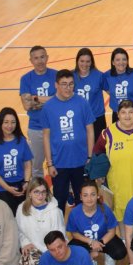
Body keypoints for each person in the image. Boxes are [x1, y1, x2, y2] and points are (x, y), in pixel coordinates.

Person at [41, 69, 95, 209]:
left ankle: (82, 229)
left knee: (82, 200)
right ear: (56, 85)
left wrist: (89, 157)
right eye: (64, 84)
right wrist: (50, 163)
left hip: (80, 161)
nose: (68, 87)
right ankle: (59, 230)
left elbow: (90, 131)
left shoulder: (82, 103)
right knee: (59, 201)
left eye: (71, 84)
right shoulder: (48, 107)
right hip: (59, 164)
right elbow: (46, 136)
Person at [104, 100, 133, 221]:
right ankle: (125, 240)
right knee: (122, 219)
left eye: (131, 112)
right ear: (118, 115)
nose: (127, 116)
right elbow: (97, 154)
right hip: (119, 187)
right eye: (123, 112)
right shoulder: (108, 133)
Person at [67, 180, 129, 265]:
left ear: (98, 195)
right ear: (80, 197)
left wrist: (99, 244)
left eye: (93, 194)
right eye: (85, 195)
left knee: (120, 252)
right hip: (86, 241)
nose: (89, 199)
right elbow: (74, 234)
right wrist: (91, 242)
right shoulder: (74, 213)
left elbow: (112, 231)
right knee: (69, 252)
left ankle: (108, 254)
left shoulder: (105, 209)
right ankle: (88, 256)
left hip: (104, 240)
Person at [0, 107, 33, 213]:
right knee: (8, 217)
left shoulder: (21, 141)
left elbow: (28, 164)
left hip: (21, 186)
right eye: (6, 122)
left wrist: (26, 182)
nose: (10, 126)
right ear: (0, 123)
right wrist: (8, 188)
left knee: (23, 217)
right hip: (1, 187)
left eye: (13, 122)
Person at [16, 177, 64, 265]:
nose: (40, 195)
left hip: (52, 248)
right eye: (36, 192)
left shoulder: (55, 211)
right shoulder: (21, 208)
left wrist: (51, 252)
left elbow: (60, 235)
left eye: (43, 192)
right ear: (29, 193)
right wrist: (25, 243)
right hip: (34, 249)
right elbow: (19, 230)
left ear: (47, 194)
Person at [19, 45, 58, 161]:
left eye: (42, 57)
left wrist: (35, 98)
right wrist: (51, 99)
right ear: (31, 61)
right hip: (35, 128)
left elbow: (61, 99)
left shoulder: (56, 75)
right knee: (36, 166)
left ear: (47, 57)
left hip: (55, 126)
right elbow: (26, 105)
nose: (40, 61)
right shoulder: (26, 79)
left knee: (57, 162)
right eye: (36, 58)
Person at [74, 48, 108, 137]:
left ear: (91, 62)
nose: (84, 64)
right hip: (78, 118)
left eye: (88, 61)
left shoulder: (99, 75)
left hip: (97, 118)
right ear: (77, 61)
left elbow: (111, 92)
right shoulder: (71, 76)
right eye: (82, 61)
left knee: (99, 149)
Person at [102, 48, 133, 118]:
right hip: (117, 114)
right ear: (113, 62)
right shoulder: (106, 76)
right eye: (118, 60)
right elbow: (107, 90)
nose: (121, 62)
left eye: (124, 59)